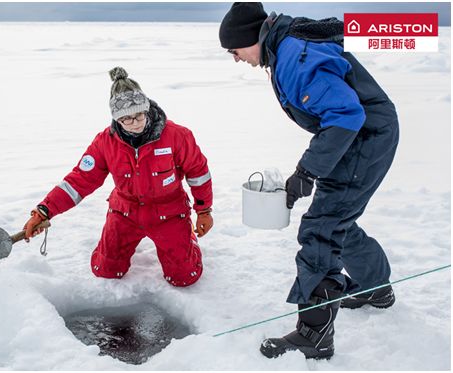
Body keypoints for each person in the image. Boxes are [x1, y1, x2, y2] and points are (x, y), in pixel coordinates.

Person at [219, 3, 399, 360]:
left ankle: (313, 335)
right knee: (336, 218)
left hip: (363, 136)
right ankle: (375, 289)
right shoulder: (283, 47)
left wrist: (306, 172)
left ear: (248, 38)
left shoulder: (293, 59)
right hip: (357, 135)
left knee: (322, 229)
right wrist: (311, 169)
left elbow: (346, 114)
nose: (236, 59)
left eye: (234, 51)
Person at [23, 67, 213, 287]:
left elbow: (199, 173)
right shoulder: (105, 142)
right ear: (116, 118)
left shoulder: (178, 136)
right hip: (125, 212)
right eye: (126, 119)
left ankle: (186, 240)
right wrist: (44, 210)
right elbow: (79, 181)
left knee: (184, 277)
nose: (135, 123)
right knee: (105, 270)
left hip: (168, 212)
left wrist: (204, 210)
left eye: (139, 115)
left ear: (147, 108)